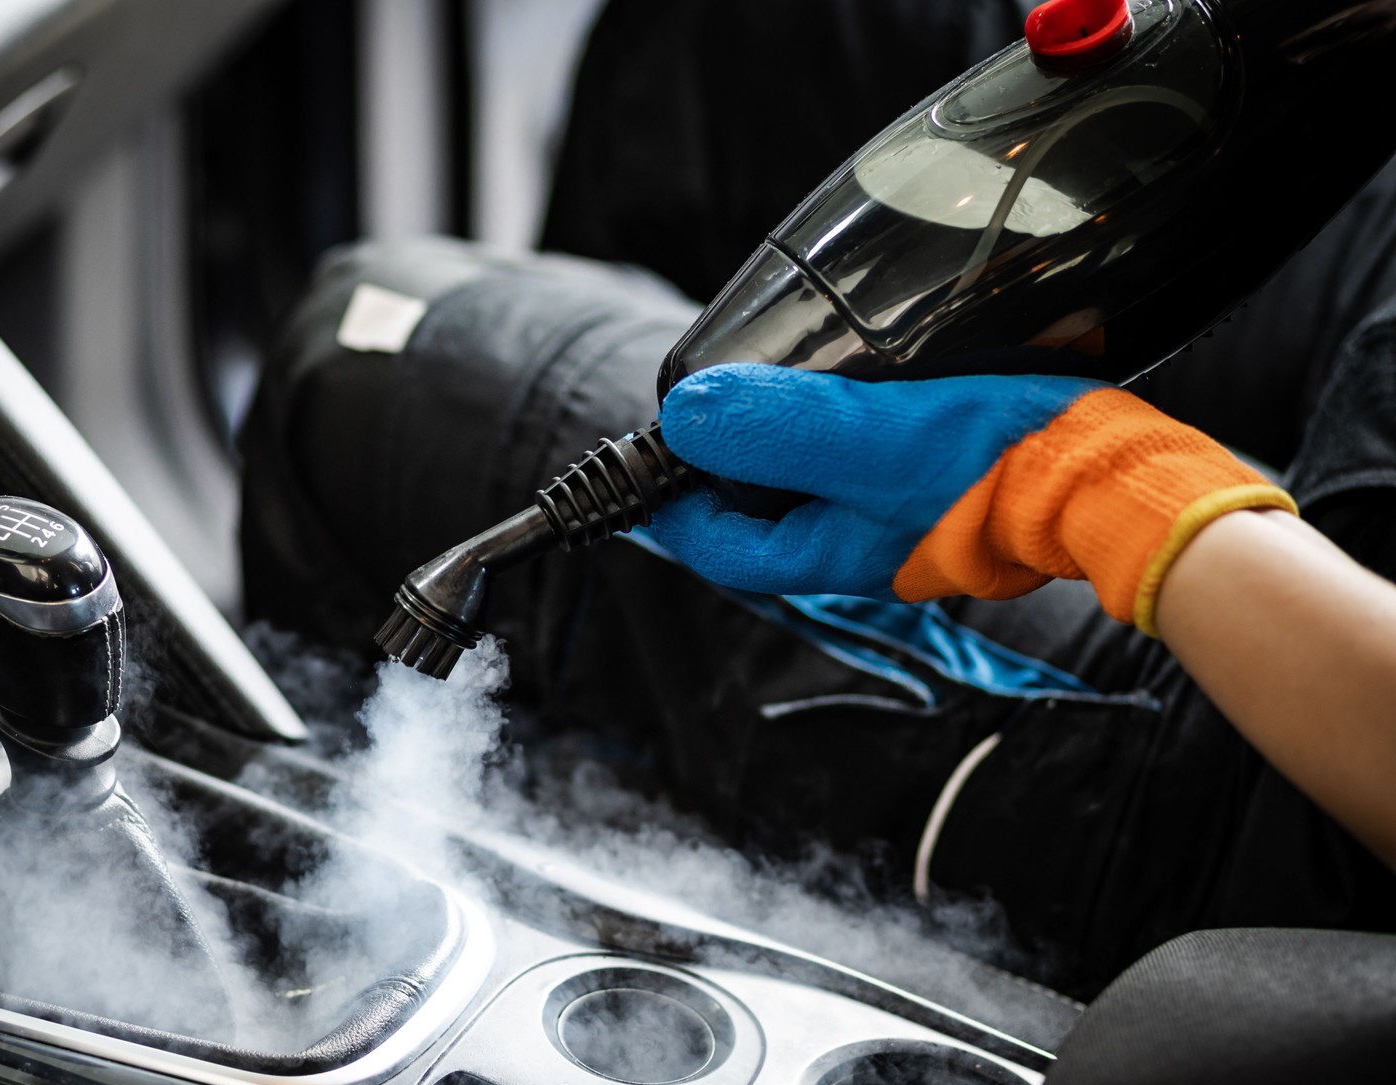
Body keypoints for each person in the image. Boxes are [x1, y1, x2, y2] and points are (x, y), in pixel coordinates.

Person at [238, 0, 1396, 995]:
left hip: (1292, 782)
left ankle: (368, 930)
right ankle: (633, 695)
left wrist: (1089, 482)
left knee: (361, 364)